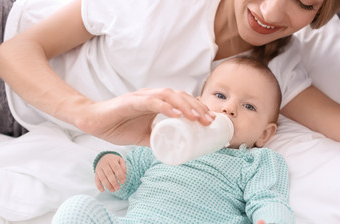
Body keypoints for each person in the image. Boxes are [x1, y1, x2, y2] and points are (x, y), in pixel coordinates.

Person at [0, 0, 340, 146]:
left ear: (320, 13)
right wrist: (88, 114)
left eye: (303, 2)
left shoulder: (275, 63)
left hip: (21, 124)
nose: (270, 12)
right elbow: (12, 54)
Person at [51, 56, 294, 224]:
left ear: (264, 134)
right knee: (78, 207)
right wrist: (112, 164)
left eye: (249, 106)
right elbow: (126, 184)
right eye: (220, 95)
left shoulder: (256, 160)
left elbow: (268, 198)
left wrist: (271, 218)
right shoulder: (171, 137)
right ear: (197, 104)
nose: (228, 108)